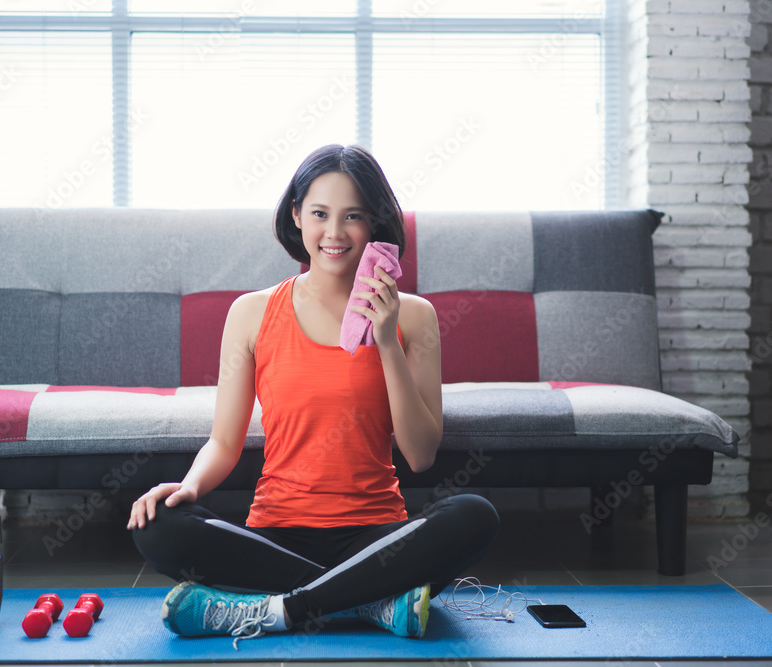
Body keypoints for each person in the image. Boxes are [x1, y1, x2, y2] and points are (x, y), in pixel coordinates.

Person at [127, 144, 499, 647]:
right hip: (276, 534)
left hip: (377, 537)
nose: (334, 233)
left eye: (354, 217)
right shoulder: (250, 314)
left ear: (374, 226)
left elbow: (421, 454)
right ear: (297, 215)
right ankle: (370, 601)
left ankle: (282, 609)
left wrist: (385, 338)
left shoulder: (414, 316)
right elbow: (223, 442)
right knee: (158, 525)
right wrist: (188, 488)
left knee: (474, 515)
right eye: (320, 214)